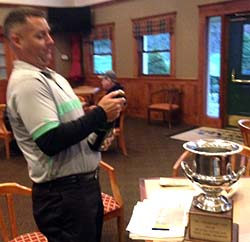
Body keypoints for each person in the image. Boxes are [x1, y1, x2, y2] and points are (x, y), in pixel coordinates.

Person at [3, 7, 126, 242]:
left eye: (49, 34)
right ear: (17, 40)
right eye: (40, 36)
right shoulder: (28, 83)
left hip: (84, 186)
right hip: (63, 195)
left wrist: (99, 129)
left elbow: (74, 128)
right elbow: (51, 140)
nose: (51, 42)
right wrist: (100, 113)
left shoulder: (53, 77)